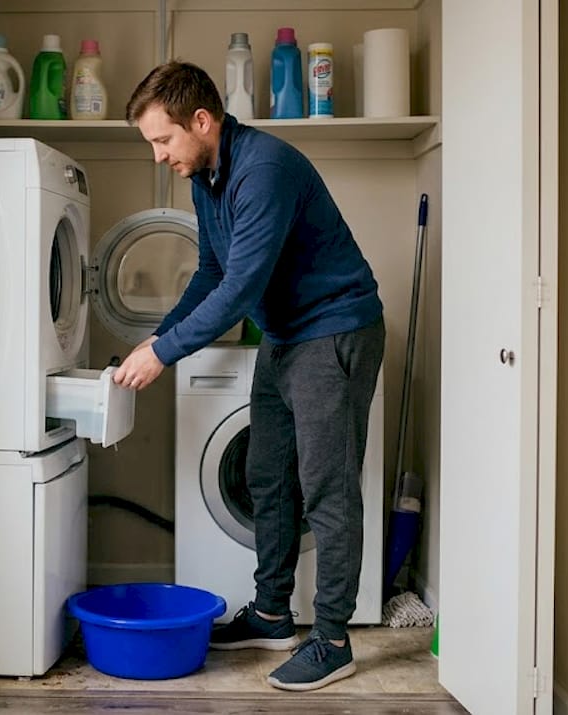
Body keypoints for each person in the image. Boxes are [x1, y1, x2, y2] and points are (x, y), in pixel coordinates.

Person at [111, 61, 385, 692]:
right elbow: (210, 273)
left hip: (335, 330)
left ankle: (334, 641)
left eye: (163, 140)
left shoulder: (265, 169)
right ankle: (271, 613)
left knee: (328, 490)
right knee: (267, 474)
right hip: (286, 335)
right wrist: (156, 336)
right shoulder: (205, 175)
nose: (158, 156)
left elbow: (240, 291)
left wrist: (165, 354)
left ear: (201, 121)